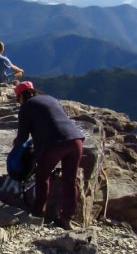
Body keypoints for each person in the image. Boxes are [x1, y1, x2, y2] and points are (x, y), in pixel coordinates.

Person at [12, 81, 85, 229]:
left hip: (55, 144)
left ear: (20, 96)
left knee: (42, 176)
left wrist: (16, 151)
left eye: (17, 98)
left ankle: (38, 214)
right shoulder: (51, 99)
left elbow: (22, 136)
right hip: (76, 140)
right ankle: (66, 218)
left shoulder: (27, 106)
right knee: (70, 180)